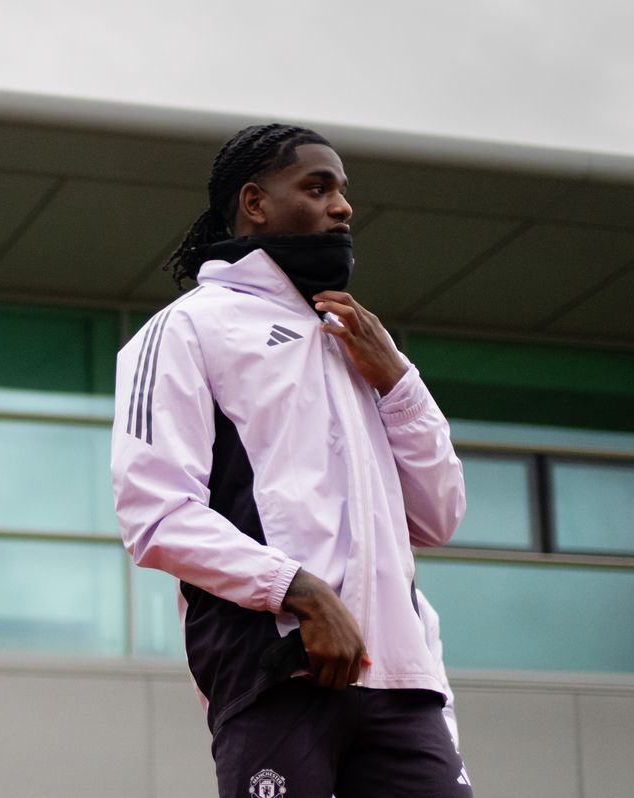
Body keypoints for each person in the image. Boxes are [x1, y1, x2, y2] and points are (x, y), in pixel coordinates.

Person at [110, 123, 472, 797]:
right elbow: (154, 515)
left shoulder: (360, 343)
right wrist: (300, 592)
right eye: (317, 187)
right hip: (274, 670)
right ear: (255, 202)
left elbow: (438, 516)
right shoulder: (188, 328)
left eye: (342, 191)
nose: (343, 207)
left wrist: (399, 383)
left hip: (403, 682)